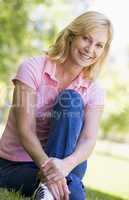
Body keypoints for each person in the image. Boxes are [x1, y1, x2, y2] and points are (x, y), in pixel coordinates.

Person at [0, 11, 113, 200]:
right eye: (86, 39)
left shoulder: (94, 89)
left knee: (72, 100)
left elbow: (88, 140)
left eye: (99, 45)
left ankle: (49, 189)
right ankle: (53, 187)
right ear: (71, 36)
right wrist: (51, 171)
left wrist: (64, 167)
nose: (90, 49)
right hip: (15, 164)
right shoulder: (33, 68)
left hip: (67, 164)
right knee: (74, 193)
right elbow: (25, 129)